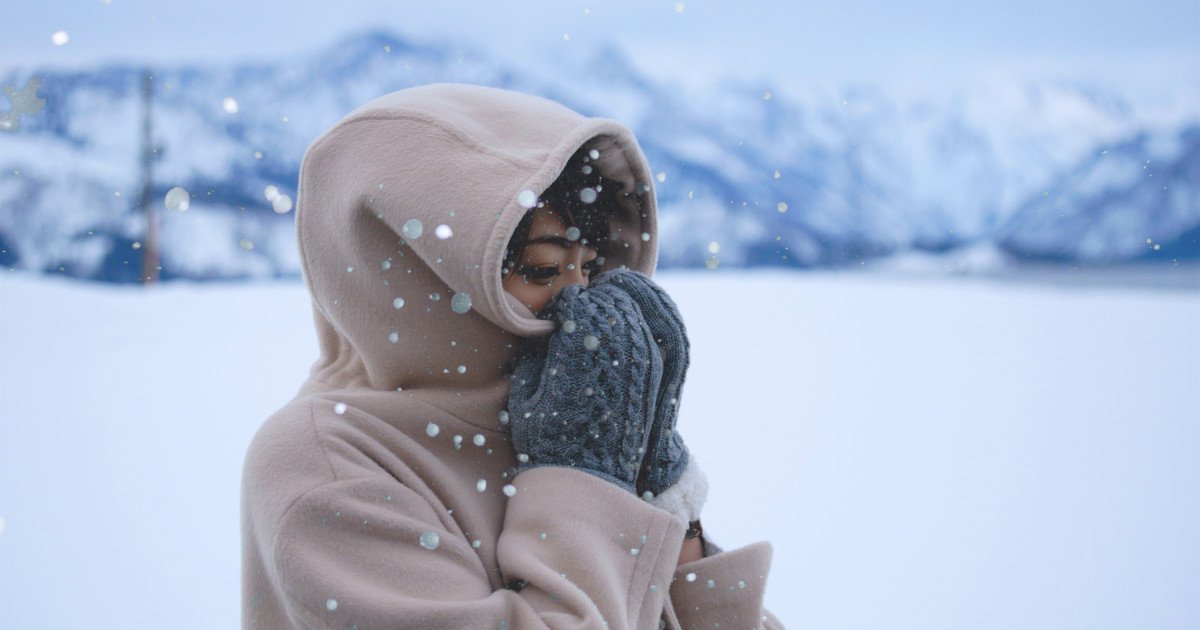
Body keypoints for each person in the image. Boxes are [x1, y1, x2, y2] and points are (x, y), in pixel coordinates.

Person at [241, 82, 784, 629]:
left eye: (592, 267)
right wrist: (583, 483)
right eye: (543, 271)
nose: (580, 298)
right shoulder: (328, 468)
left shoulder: (560, 405)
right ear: (429, 275)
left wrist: (667, 494)